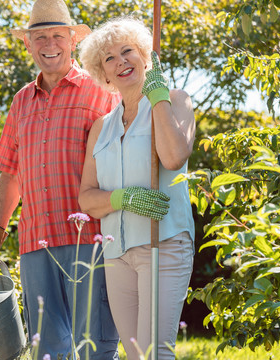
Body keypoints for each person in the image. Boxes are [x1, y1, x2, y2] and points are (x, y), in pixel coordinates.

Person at [0, 0, 120, 359]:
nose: (49, 44)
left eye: (58, 35)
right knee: (48, 351)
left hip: (92, 238)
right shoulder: (21, 101)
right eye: (40, 36)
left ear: (73, 41)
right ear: (28, 43)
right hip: (36, 244)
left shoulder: (102, 91)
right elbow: (11, 173)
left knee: (95, 346)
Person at [78, 17, 196, 360]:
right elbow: (87, 199)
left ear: (145, 55)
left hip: (165, 242)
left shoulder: (175, 99)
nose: (121, 61)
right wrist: (123, 198)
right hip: (116, 255)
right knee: (134, 354)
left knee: (155, 352)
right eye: (110, 58)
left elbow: (174, 158)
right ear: (104, 73)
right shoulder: (101, 127)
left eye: (128, 51)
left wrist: (158, 97)